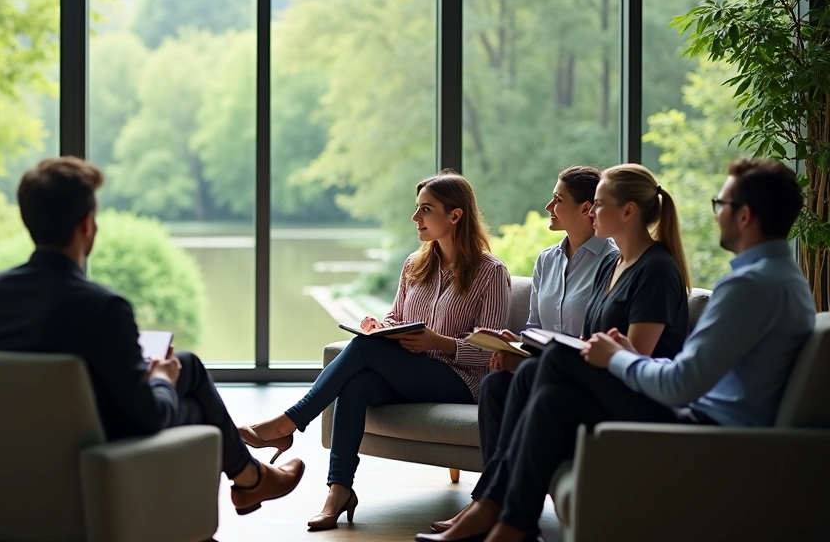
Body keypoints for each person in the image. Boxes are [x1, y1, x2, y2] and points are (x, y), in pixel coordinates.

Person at [417, 158, 813, 542]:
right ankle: (508, 520)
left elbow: (681, 384)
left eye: (721, 204)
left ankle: (498, 512)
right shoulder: (776, 279)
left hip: (708, 430)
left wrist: (619, 357)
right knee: (548, 394)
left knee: (552, 366)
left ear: (744, 216)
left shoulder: (749, 286)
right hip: (705, 416)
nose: (716, 215)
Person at [0, 157, 305, 515]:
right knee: (189, 398)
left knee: (187, 365)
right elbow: (150, 418)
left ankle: (248, 480)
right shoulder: (103, 307)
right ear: (87, 225)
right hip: (86, 456)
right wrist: (159, 380)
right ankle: (247, 481)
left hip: (6, 457)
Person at [432, 162, 691, 536]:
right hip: (601, 383)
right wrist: (517, 344)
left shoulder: (656, 270)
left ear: (628, 211)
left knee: (549, 368)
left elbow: (637, 359)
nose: (592, 211)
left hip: (637, 394)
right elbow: (588, 343)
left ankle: (493, 506)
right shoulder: (613, 267)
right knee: (498, 385)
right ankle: (501, 512)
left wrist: (565, 355)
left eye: (599, 204)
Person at [242, 171, 512, 530]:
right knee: (356, 387)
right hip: (411, 373)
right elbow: (398, 316)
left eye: (425, 210)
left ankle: (288, 422)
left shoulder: (491, 273)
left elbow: (493, 351)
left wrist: (438, 342)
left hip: (463, 382)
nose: (415, 218)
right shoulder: (415, 265)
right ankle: (339, 490)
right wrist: (381, 328)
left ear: (455, 215)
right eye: (417, 209)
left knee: (363, 352)